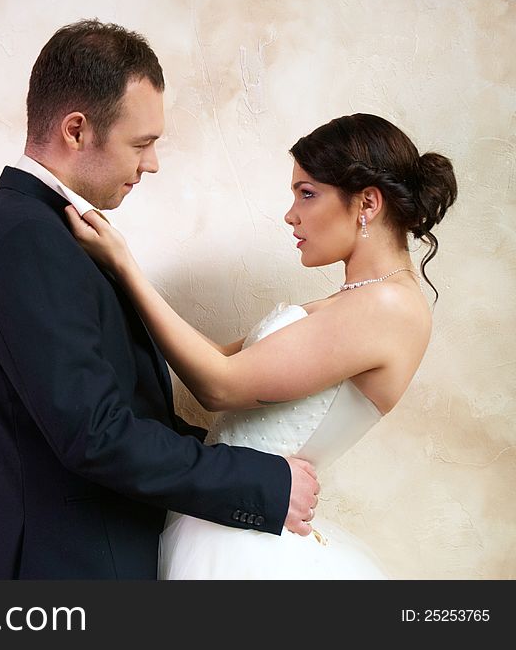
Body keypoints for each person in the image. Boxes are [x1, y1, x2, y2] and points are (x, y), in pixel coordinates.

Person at [0, 19, 319, 579]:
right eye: (141, 143)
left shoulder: (52, 231)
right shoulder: (26, 240)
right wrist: (259, 485)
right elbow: (94, 434)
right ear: (76, 130)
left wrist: (259, 463)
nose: (152, 164)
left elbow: (127, 413)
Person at [65, 112, 457, 578]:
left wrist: (126, 268)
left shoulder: (388, 307)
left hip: (247, 543)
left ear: (367, 203)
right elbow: (215, 360)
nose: (291, 213)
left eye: (307, 193)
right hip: (228, 517)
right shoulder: (355, 301)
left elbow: (218, 385)